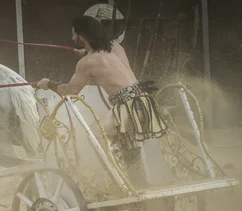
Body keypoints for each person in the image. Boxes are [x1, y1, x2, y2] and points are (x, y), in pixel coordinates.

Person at [36, 15, 168, 150]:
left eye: (74, 34)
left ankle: (115, 169)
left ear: (82, 36)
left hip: (127, 108)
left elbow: (69, 92)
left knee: (95, 136)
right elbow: (104, 49)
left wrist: (49, 84)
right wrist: (87, 50)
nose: (72, 38)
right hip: (145, 103)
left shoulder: (86, 63)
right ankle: (130, 167)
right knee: (126, 143)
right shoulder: (114, 48)